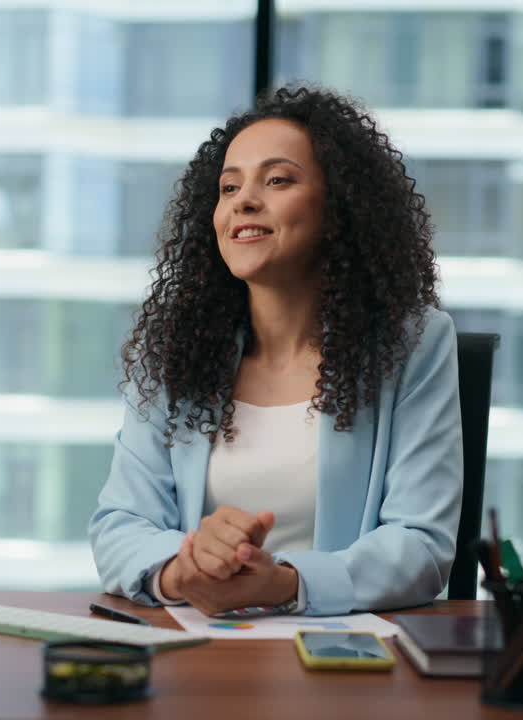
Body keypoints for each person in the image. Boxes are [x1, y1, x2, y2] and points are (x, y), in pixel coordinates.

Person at [88, 86, 463, 617]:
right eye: (229, 186)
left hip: (342, 659)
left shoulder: (412, 345)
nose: (243, 199)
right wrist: (187, 568)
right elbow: (119, 524)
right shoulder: (172, 352)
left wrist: (283, 583)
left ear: (339, 208)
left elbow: (421, 545)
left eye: (278, 179)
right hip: (200, 650)